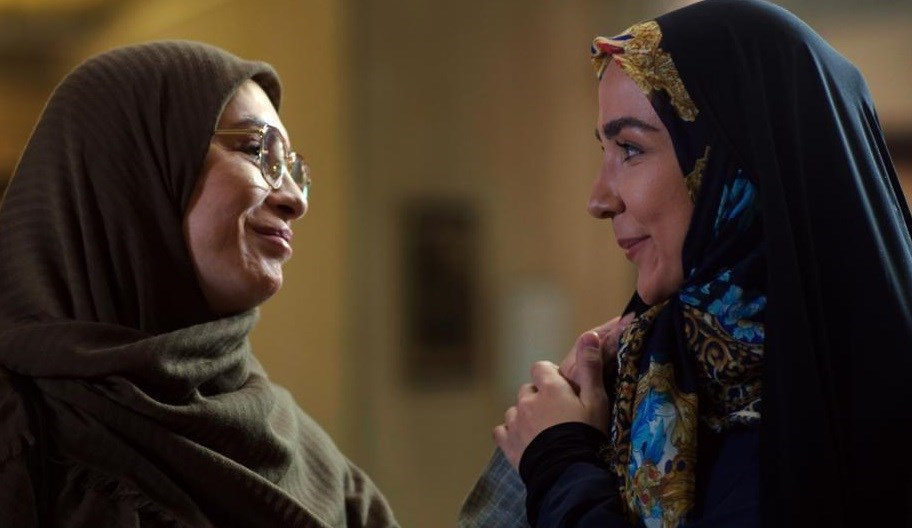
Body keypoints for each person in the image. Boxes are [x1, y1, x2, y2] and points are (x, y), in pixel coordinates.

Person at [459, 0, 912, 526]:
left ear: (737, 166)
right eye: (605, 150)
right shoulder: (645, 365)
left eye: (630, 148)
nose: (599, 199)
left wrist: (559, 462)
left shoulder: (856, 401)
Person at [0, 41, 398, 527]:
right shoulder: (19, 434)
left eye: (293, 168)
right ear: (131, 171)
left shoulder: (317, 465)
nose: (296, 199)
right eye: (256, 150)